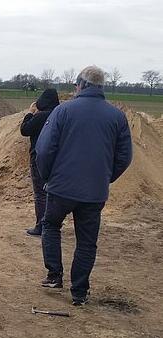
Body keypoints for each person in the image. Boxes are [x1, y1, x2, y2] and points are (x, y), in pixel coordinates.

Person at [35, 65, 132, 306]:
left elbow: (44, 149)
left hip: (60, 188)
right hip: (94, 193)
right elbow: (124, 157)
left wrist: (48, 177)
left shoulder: (63, 111)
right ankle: (79, 292)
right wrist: (105, 177)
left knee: (50, 226)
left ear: (81, 85)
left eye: (76, 85)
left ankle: (54, 276)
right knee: (87, 241)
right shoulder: (117, 117)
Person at [20, 88, 60, 236]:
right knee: (53, 193)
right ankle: (52, 223)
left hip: (38, 158)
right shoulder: (59, 115)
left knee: (40, 193)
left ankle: (41, 226)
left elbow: (24, 130)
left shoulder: (40, 116)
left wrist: (30, 113)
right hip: (57, 159)